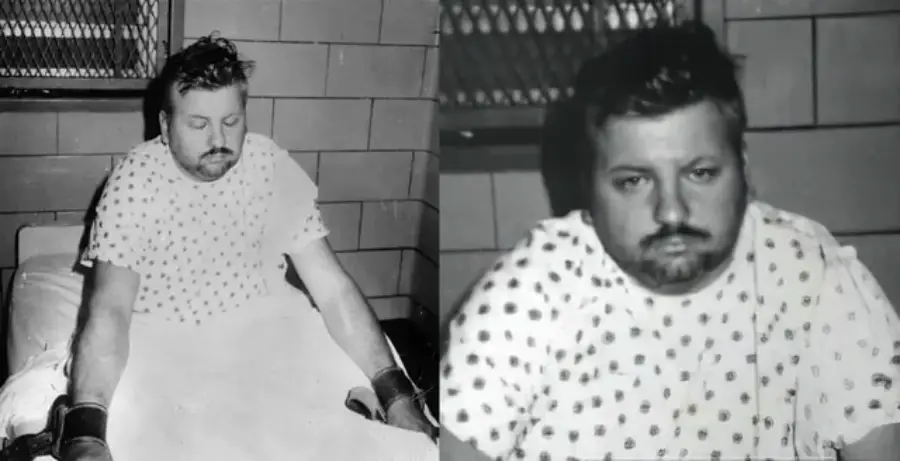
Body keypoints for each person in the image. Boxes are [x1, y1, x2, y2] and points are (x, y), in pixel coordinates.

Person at [439, 22, 900, 461]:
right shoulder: (531, 292)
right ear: (589, 187)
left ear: (743, 168)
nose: (672, 212)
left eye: (700, 173)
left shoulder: (814, 277)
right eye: (634, 181)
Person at [0, 35, 437, 460]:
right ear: (165, 125)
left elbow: (333, 290)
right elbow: (111, 310)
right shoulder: (135, 183)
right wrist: (87, 429)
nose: (218, 140)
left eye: (231, 121)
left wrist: (397, 395)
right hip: (164, 341)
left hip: (268, 332)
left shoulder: (271, 166)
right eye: (198, 124)